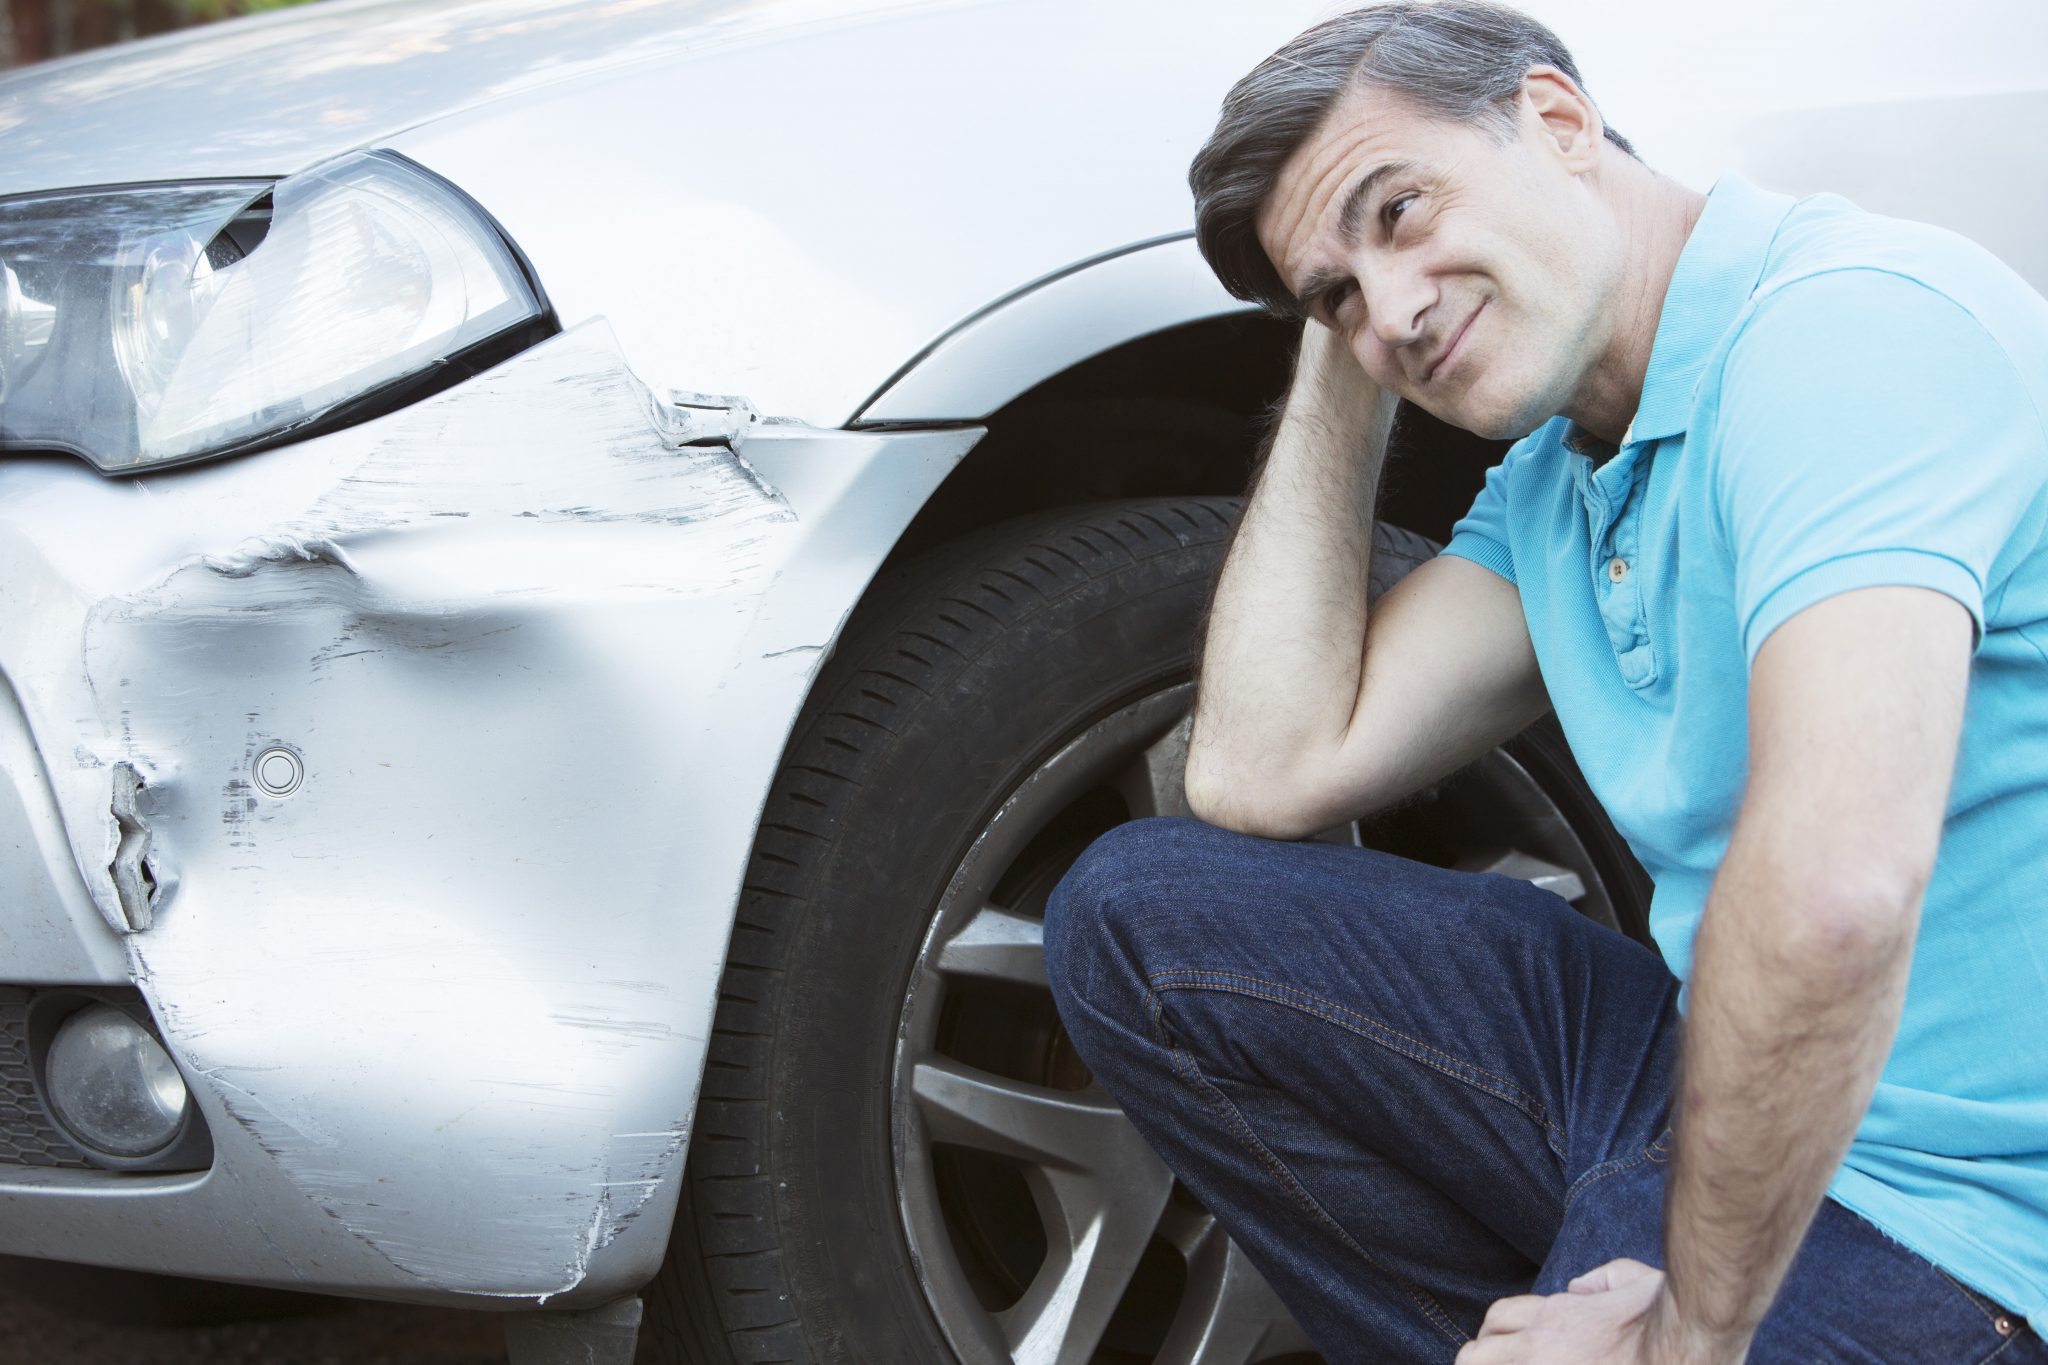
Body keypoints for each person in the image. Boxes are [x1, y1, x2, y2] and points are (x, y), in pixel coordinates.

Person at [1041, 3, 2048, 1362]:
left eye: (1398, 209)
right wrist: (1348, 355)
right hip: (1709, 1067)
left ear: (1560, 123)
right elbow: (1262, 769)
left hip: (1970, 1210)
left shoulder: (1839, 338)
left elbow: (1831, 898)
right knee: (1139, 918)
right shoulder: (1563, 479)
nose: (1386, 309)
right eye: (1335, 294)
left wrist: (1681, 1338)